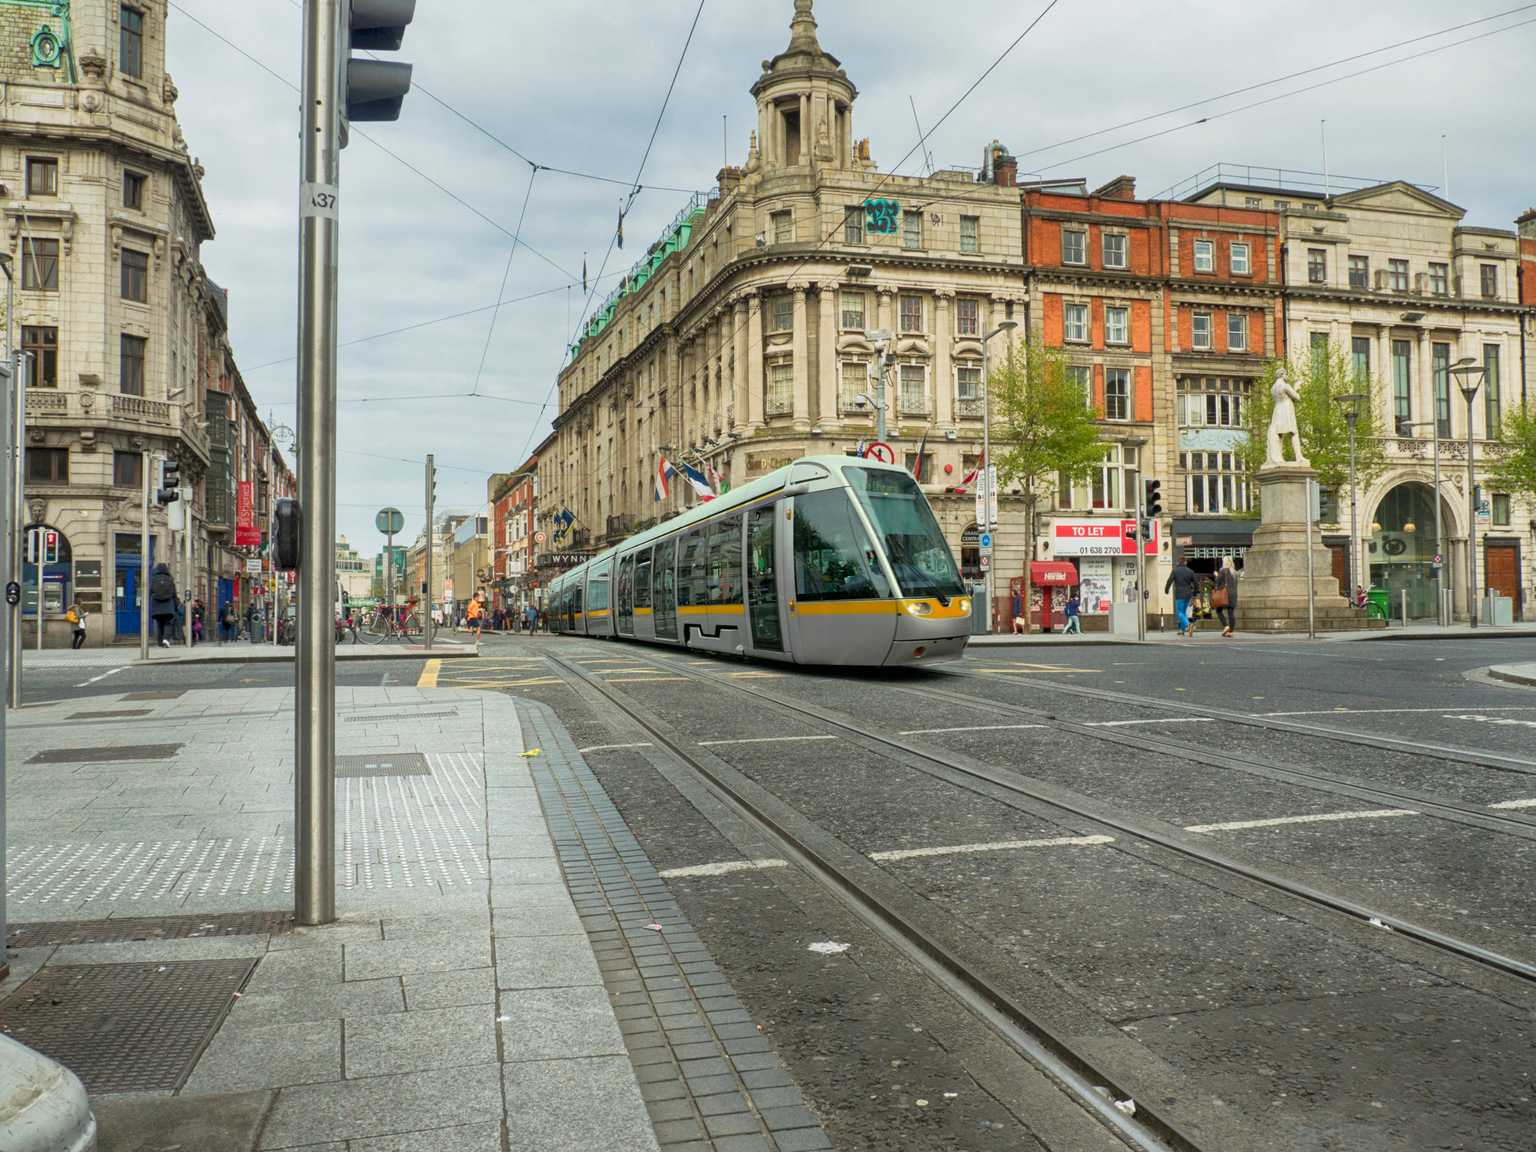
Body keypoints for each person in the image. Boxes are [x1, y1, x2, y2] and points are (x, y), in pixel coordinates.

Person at [1164, 558, 1198, 638]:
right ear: (1185, 562)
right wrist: (1195, 594)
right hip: (1188, 594)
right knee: (1183, 612)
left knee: (1179, 612)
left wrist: (1166, 590)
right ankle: (1182, 631)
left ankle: (1188, 625)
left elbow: (1169, 581)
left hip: (1179, 594)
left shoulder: (1175, 571)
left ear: (1178, 562)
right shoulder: (1190, 571)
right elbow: (1196, 584)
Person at [148, 563, 178, 648]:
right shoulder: (170, 579)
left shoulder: (153, 579)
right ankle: (166, 639)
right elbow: (174, 594)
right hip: (168, 605)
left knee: (159, 624)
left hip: (157, 606)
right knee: (168, 623)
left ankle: (160, 643)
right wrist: (176, 606)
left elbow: (150, 592)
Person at [1213, 559, 1239, 638]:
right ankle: (1230, 631)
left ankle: (1226, 626)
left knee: (1218, 610)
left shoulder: (1223, 571)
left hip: (1225, 594)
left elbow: (1218, 582)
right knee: (1231, 612)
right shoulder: (1235, 573)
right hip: (1234, 594)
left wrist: (1216, 575)